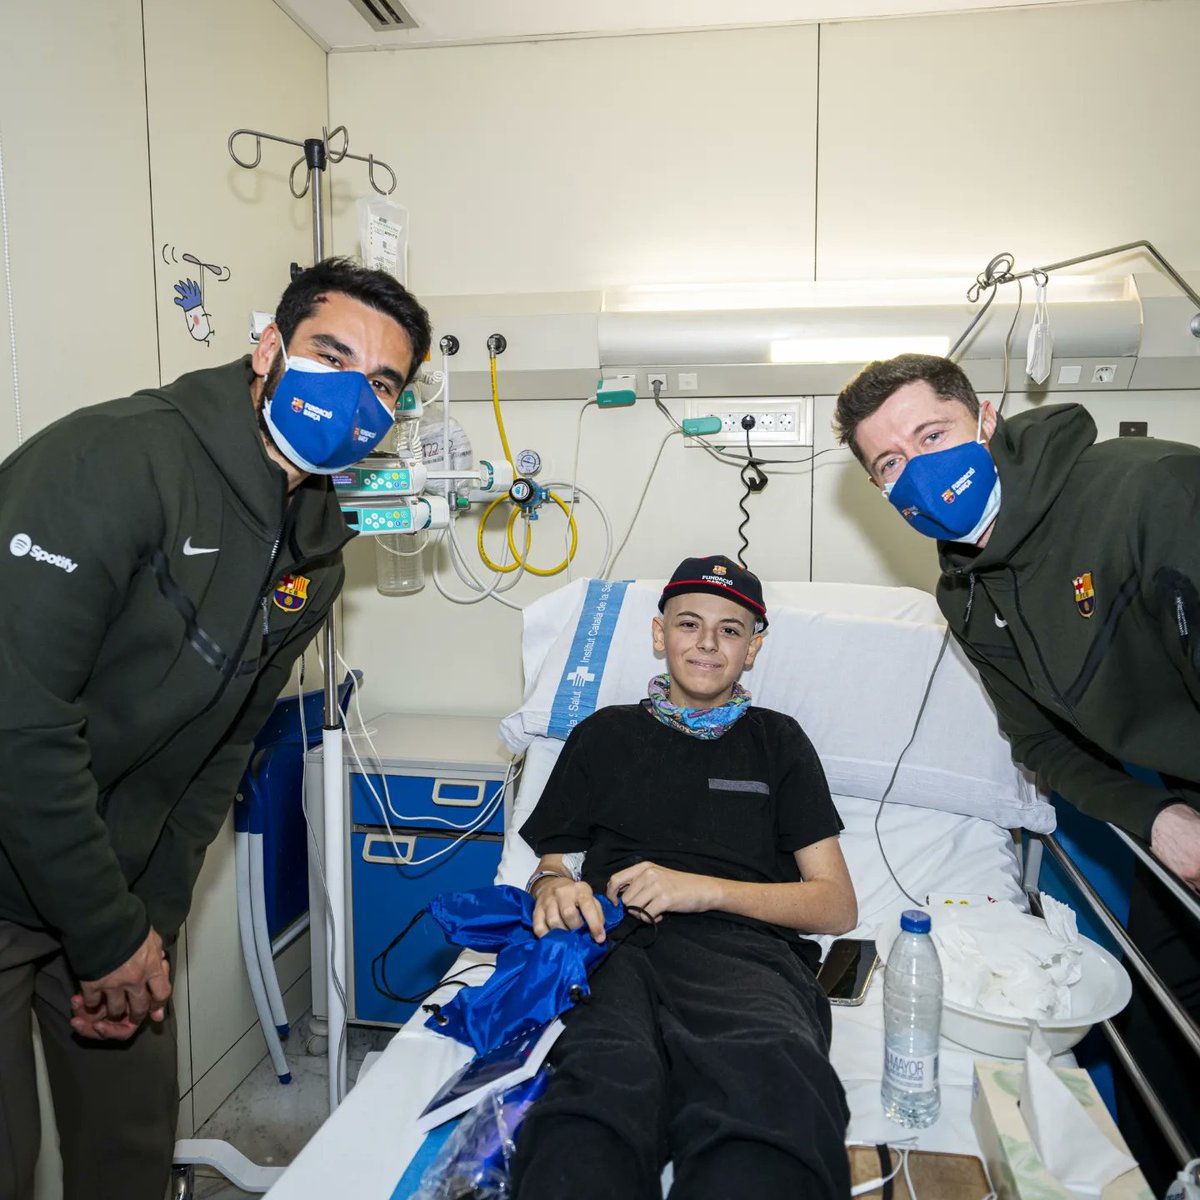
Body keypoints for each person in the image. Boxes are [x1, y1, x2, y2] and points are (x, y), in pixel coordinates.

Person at [0, 257, 431, 1200]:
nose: (354, 392)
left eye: (383, 382)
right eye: (332, 352)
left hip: (106, 885)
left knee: (128, 1142)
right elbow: (17, 725)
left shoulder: (315, 545)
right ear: (269, 346)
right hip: (10, 854)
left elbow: (219, 747)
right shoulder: (114, 462)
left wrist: (145, 923)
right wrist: (112, 934)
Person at [833, 352, 1200, 1189]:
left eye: (934, 435)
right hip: (1182, 805)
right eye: (891, 463)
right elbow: (1039, 746)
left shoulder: (1149, 496)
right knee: (1159, 1042)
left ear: (987, 420)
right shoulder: (964, 593)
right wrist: (1156, 819)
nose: (920, 471)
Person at [512, 555, 856, 1200]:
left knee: (771, 1084)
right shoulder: (603, 734)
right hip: (611, 949)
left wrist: (704, 889)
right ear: (657, 634)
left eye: (730, 630)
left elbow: (836, 906)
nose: (706, 642)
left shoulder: (778, 743)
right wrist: (555, 887)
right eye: (688, 623)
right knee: (595, 1092)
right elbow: (552, 864)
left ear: (753, 649)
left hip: (743, 955)